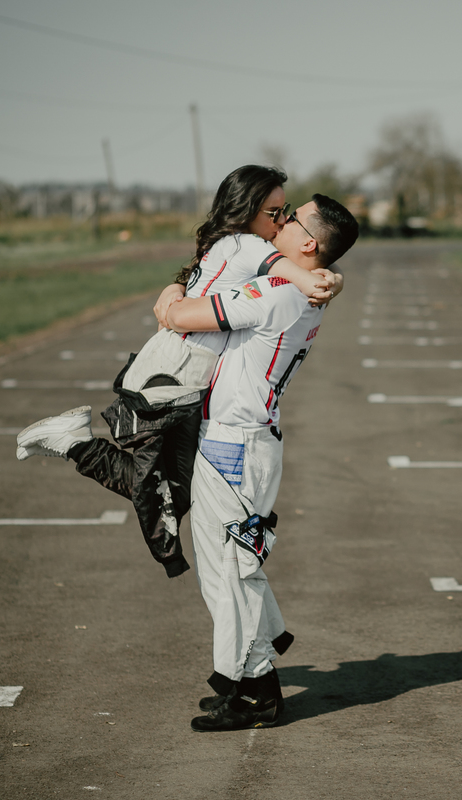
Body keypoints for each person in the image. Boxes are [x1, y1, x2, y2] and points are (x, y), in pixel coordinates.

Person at [16, 166, 343, 579]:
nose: (281, 221)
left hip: (182, 373)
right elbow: (284, 270)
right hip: (175, 375)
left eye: (286, 213)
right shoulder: (246, 245)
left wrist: (332, 277)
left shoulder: (234, 246)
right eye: (275, 213)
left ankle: (76, 442)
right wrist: (318, 282)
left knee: (169, 489)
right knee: (158, 487)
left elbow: (232, 279)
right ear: (247, 210)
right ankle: (75, 441)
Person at [157, 193, 359, 731]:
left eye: (291, 218)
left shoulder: (278, 291)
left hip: (235, 443)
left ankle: (253, 694)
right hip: (243, 440)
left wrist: (171, 291)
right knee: (233, 566)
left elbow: (180, 316)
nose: (281, 222)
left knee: (230, 569)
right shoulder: (302, 287)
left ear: (309, 244)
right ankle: (257, 681)